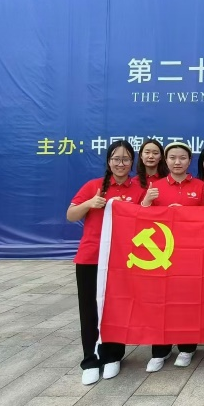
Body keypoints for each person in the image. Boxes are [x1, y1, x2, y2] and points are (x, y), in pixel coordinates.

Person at [67, 140, 146, 385]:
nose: (121, 164)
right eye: (116, 159)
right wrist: (89, 204)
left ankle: (113, 355)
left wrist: (145, 206)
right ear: (109, 161)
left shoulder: (140, 188)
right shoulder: (94, 186)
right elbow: (71, 215)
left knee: (118, 307)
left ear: (132, 162)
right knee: (89, 309)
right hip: (91, 257)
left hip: (123, 259)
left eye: (126, 159)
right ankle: (90, 359)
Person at [140, 141, 204, 372]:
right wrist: (146, 202)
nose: (177, 162)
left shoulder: (201, 187)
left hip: (191, 254)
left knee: (188, 301)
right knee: (161, 302)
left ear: (190, 161)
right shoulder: (155, 187)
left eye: (182, 158)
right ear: (166, 160)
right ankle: (160, 350)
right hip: (162, 255)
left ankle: (187, 348)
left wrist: (203, 209)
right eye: (172, 158)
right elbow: (140, 221)